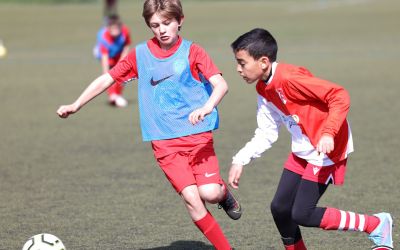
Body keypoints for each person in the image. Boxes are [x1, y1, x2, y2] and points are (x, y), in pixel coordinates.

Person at [57, 0, 241, 249]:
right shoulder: (140, 55)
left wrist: (206, 107)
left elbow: (221, 85)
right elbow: (107, 79)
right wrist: (76, 104)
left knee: (210, 193)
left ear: (180, 21)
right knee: (192, 198)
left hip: (198, 137)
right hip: (164, 142)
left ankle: (224, 195)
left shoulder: (193, 51)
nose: (162, 30)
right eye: (155, 25)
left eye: (167, 23)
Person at [227, 28, 393, 250]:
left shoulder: (289, 79)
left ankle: (376, 224)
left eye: (242, 63)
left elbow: (339, 95)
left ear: (264, 62)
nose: (238, 69)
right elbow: (267, 132)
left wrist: (328, 133)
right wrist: (241, 159)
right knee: (280, 208)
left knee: (302, 213)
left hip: (326, 148)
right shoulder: (263, 89)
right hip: (304, 147)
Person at [94, 14, 131, 107]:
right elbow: (105, 59)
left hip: (118, 53)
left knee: (122, 74)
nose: (115, 31)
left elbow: (126, 46)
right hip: (106, 55)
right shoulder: (104, 39)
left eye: (117, 28)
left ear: (120, 27)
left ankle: (117, 95)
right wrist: (106, 74)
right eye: (112, 28)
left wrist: (121, 62)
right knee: (109, 74)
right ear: (108, 28)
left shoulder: (125, 31)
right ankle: (112, 95)